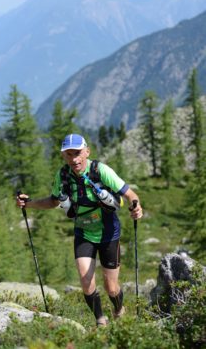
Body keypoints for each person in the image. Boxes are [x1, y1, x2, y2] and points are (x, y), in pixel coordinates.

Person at [16, 133, 143, 326]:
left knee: (111, 287)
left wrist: (136, 207)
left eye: (77, 153)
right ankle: (101, 321)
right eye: (69, 154)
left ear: (87, 152)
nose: (74, 158)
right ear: (64, 156)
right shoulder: (63, 175)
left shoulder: (101, 170)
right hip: (83, 232)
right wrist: (29, 204)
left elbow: (130, 194)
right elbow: (53, 201)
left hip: (109, 232)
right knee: (86, 281)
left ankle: (119, 309)